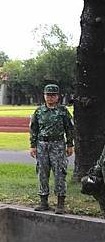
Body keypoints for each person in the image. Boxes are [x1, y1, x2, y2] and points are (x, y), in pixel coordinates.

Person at [30, 84, 75, 214]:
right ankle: (43, 201)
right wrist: (33, 146)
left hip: (58, 145)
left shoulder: (62, 111)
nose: (50, 97)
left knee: (60, 173)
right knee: (42, 173)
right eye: (48, 95)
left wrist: (70, 144)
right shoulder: (39, 111)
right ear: (44, 96)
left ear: (57, 96)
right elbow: (34, 129)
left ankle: (60, 203)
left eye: (53, 95)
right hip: (42, 145)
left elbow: (69, 129)